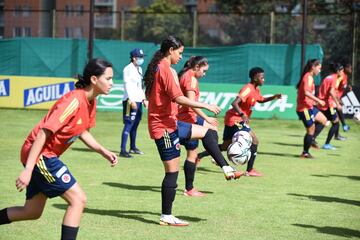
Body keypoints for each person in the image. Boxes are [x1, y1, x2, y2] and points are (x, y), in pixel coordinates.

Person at [0, 58, 118, 240]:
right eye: (108, 78)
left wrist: (103, 151)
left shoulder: (91, 102)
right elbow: (43, 132)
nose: (112, 83)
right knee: (78, 200)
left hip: (44, 155)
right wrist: (28, 170)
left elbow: (82, 132)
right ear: (94, 79)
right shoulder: (74, 100)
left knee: (32, 211)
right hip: (40, 154)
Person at [144, 36, 242, 227]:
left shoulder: (161, 67)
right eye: (179, 52)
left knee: (207, 132)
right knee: (172, 172)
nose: (181, 57)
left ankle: (226, 168)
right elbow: (179, 98)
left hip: (171, 123)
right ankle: (166, 216)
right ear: (170, 50)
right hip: (163, 128)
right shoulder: (166, 69)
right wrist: (205, 106)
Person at [198, 67, 282, 177]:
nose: (263, 79)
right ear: (255, 77)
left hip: (233, 119)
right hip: (236, 119)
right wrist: (242, 114)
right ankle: (250, 170)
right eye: (262, 77)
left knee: (225, 146)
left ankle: (199, 156)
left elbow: (260, 100)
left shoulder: (256, 89)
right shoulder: (248, 88)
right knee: (255, 141)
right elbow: (234, 103)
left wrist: (273, 97)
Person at [177, 56, 218, 197]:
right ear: (196, 67)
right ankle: (189, 189)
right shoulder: (191, 79)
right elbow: (190, 103)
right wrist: (206, 117)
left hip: (185, 119)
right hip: (187, 120)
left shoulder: (185, 75)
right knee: (190, 155)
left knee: (192, 154)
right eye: (204, 70)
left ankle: (214, 156)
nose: (204, 74)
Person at [296, 59, 329, 158]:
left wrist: (313, 102)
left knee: (324, 121)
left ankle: (312, 139)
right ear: (313, 67)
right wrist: (318, 101)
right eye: (319, 68)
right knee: (310, 129)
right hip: (304, 109)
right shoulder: (308, 77)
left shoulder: (309, 77)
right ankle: (305, 152)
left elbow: (303, 93)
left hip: (309, 107)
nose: (320, 70)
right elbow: (306, 92)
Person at [120, 48, 148, 158]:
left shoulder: (139, 69)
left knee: (136, 123)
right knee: (129, 123)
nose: (141, 59)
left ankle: (132, 147)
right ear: (133, 58)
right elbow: (127, 85)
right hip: (129, 100)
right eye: (139, 57)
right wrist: (131, 100)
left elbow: (139, 86)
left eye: (142, 57)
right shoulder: (128, 69)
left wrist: (144, 99)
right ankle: (123, 150)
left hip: (138, 100)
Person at [313, 63, 344, 150]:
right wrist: (337, 104)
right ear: (337, 71)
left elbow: (330, 91)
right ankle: (327, 144)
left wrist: (338, 100)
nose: (342, 72)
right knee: (336, 123)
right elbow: (331, 92)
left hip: (322, 103)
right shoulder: (334, 78)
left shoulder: (328, 77)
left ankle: (312, 138)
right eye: (341, 70)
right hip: (328, 105)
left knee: (322, 122)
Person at [334, 61, 352, 138]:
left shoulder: (345, 76)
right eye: (350, 68)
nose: (351, 69)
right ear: (345, 68)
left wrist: (347, 86)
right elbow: (334, 88)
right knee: (338, 111)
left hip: (335, 98)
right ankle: (344, 125)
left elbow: (342, 85)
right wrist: (338, 100)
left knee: (336, 117)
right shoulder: (341, 76)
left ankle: (337, 134)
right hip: (333, 98)